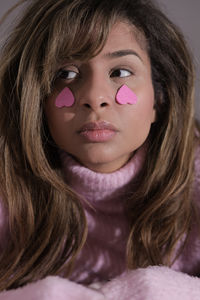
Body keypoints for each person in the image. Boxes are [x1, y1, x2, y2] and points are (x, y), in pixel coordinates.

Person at [0, 0, 200, 299]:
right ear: (37, 100)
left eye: (120, 72)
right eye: (65, 74)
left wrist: (150, 289)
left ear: (160, 98)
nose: (95, 97)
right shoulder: (8, 187)